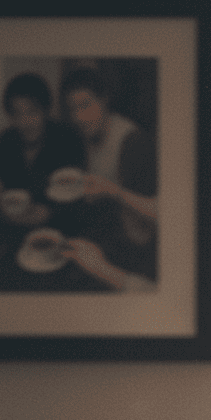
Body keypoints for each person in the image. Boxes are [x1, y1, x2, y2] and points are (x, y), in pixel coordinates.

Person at [61, 67, 157, 280]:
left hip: (132, 245)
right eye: (72, 109)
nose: (78, 117)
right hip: (105, 226)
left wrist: (112, 192)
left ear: (104, 99)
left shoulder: (133, 143)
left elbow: (155, 216)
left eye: (85, 105)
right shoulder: (88, 134)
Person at [0, 72, 85, 225]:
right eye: (16, 114)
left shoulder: (68, 138)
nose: (25, 122)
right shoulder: (6, 140)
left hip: (58, 227)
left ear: (46, 109)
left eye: (32, 111)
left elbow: (78, 195)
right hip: (11, 224)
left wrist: (50, 212)